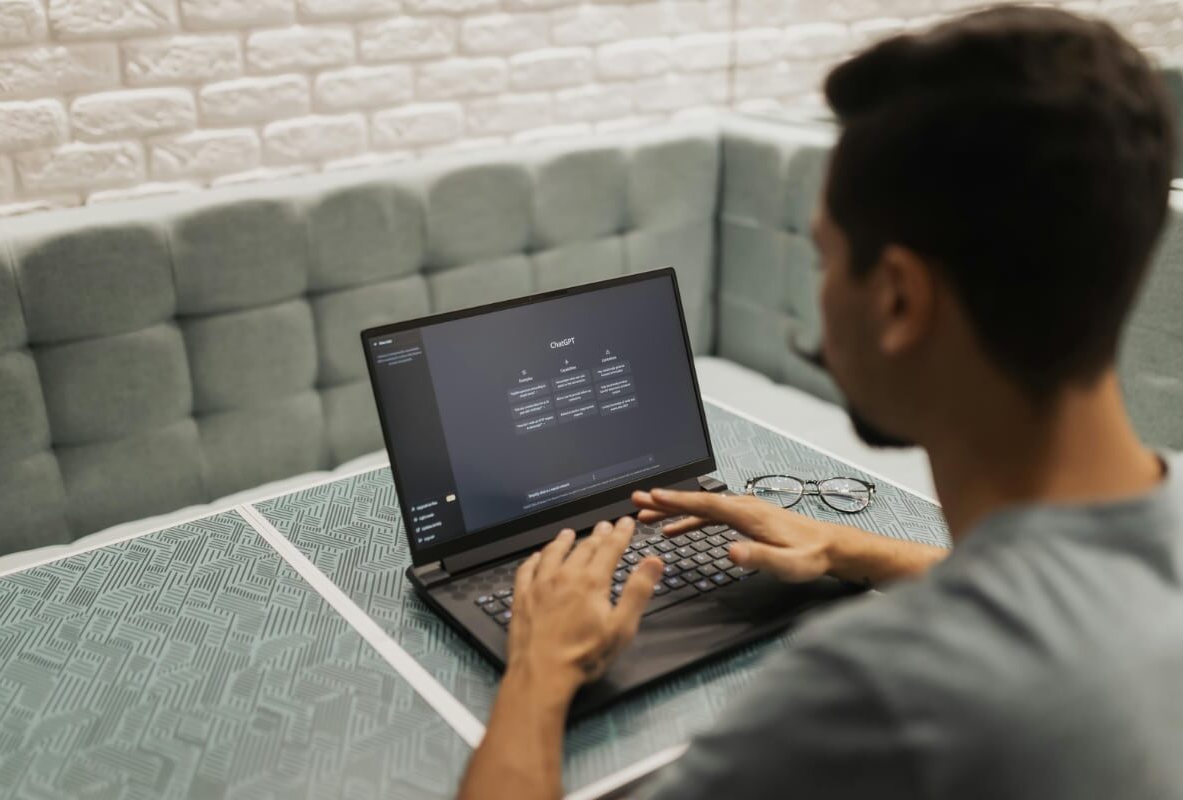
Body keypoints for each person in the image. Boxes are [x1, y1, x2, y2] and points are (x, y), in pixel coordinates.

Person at [457, 6, 1183, 799]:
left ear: (899, 300)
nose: (819, 293)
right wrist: (848, 548)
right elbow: (1073, 594)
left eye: (825, 257)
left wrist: (539, 669)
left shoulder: (873, 691)